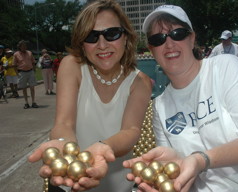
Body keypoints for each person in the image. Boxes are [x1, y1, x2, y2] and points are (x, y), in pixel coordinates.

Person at [123, 5, 238, 192]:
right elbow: (182, 170)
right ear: (152, 50)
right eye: (158, 39)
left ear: (192, 38)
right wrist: (174, 169)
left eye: (177, 33)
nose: (169, 44)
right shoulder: (160, 106)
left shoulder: (226, 68)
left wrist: (201, 159)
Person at [28, 0, 152, 191]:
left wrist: (101, 149)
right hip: (70, 178)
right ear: (82, 43)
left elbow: (131, 131)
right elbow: (64, 123)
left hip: (117, 185)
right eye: (91, 36)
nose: (102, 45)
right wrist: (66, 149)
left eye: (112, 34)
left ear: (126, 37)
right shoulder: (72, 66)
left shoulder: (140, 82)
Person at [13, 40, 39, 109]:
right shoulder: (16, 54)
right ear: (19, 47)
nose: (24, 47)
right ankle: (26, 103)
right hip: (22, 72)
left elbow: (33, 62)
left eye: (25, 46)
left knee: (32, 87)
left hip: (30, 72)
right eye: (23, 46)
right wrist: (17, 74)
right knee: (24, 88)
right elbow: (14, 65)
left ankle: (33, 102)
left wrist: (34, 70)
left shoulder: (29, 53)